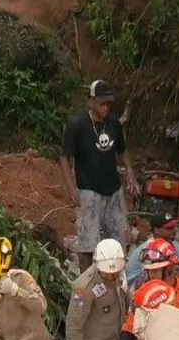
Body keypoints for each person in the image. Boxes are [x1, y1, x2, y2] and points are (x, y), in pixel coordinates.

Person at [59, 80, 138, 271]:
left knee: (120, 239)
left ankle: (118, 279)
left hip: (113, 189)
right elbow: (64, 159)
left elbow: (122, 151)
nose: (106, 107)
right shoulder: (76, 126)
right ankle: (89, 280)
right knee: (88, 244)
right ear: (90, 101)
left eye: (108, 103)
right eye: (102, 103)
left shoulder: (114, 124)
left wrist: (130, 173)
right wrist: (71, 189)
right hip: (89, 191)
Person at [66, 238, 127, 340]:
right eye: (108, 274)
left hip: (119, 339)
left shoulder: (118, 273)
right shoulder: (83, 289)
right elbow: (74, 324)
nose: (112, 277)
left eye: (115, 273)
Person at [126, 213, 179, 291]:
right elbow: (167, 276)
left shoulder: (171, 242)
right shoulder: (151, 249)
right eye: (169, 228)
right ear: (156, 230)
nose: (174, 231)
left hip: (153, 281)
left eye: (174, 226)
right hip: (135, 288)